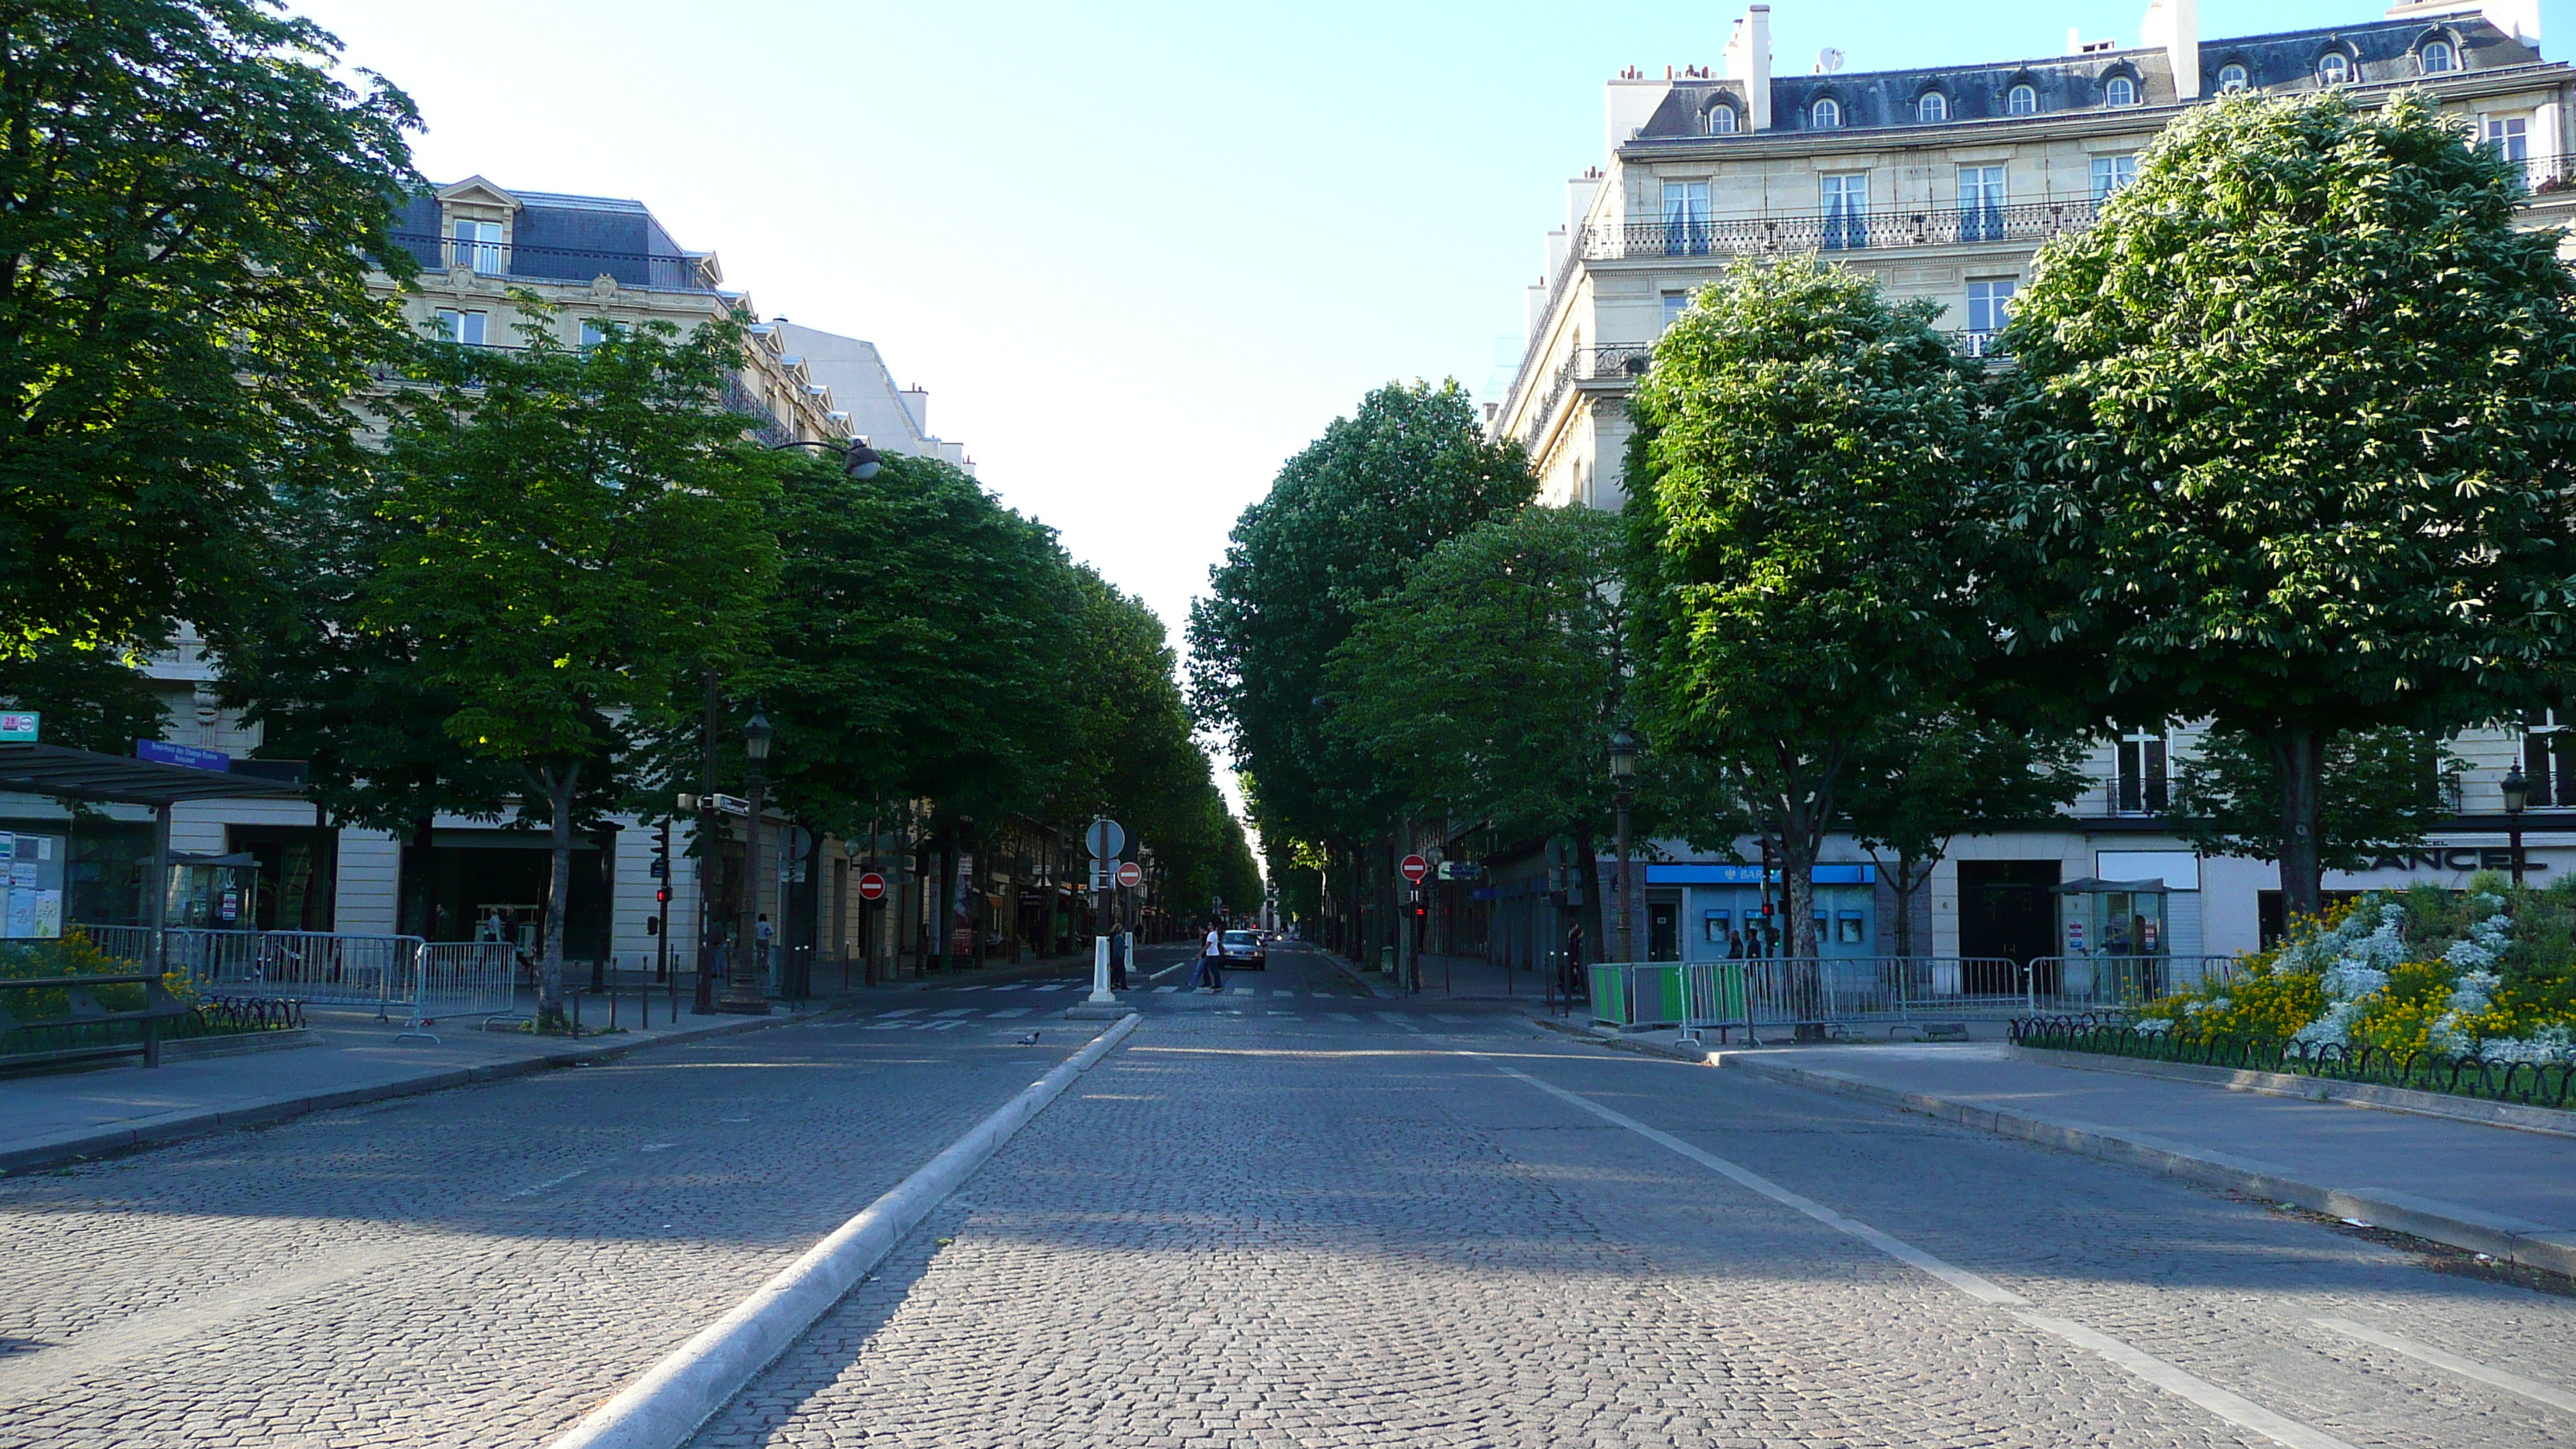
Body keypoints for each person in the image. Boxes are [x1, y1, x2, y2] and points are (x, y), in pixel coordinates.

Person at [1191, 920, 1225, 992]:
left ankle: (1218, 984)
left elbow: (1207, 945)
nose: (1208, 926)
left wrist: (1199, 954)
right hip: (1211, 954)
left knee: (1214, 970)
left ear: (1213, 926)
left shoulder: (1212, 934)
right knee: (1207, 968)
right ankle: (1210, 983)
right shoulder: (1213, 934)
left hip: (1212, 955)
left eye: (1210, 924)